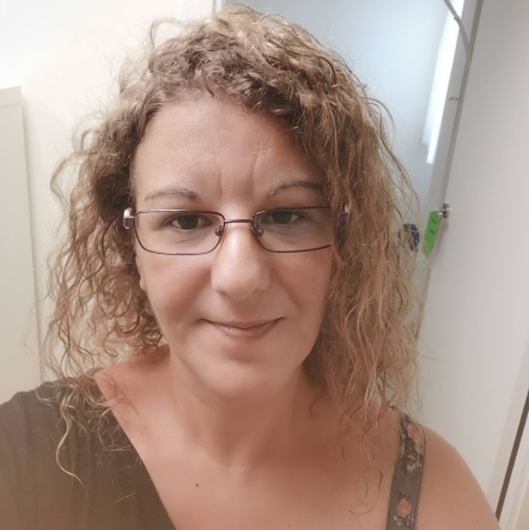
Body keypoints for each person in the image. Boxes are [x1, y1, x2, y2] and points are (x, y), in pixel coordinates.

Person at [0, 7, 499, 530]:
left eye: (286, 216)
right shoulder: (32, 455)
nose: (239, 278)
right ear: (134, 253)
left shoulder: (432, 492)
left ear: (341, 247)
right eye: (186, 220)